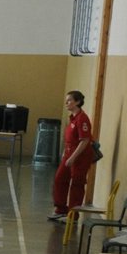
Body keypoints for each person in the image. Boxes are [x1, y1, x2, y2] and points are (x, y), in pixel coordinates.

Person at [50, 90, 96, 222]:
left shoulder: (82, 119)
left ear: (77, 102)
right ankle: (61, 209)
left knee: (77, 184)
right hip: (69, 154)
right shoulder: (72, 118)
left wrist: (73, 158)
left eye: (69, 100)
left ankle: (72, 215)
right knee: (60, 179)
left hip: (80, 158)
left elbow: (85, 140)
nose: (66, 103)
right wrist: (66, 154)